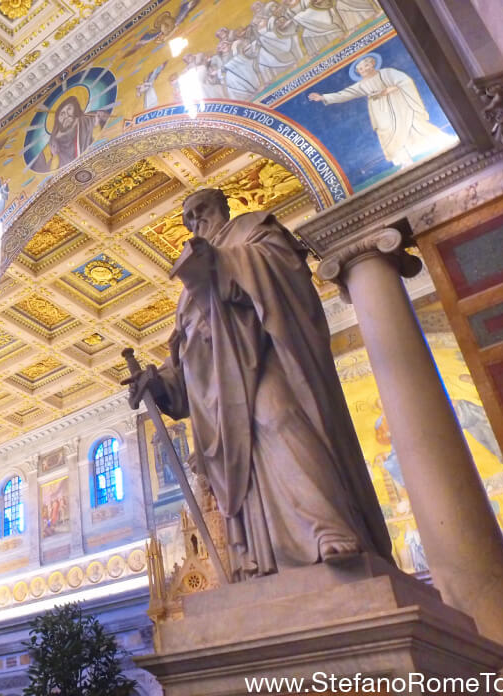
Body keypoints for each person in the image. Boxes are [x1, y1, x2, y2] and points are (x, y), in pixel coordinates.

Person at [124, 188, 393, 579]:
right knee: (247, 465)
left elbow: (284, 272)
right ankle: (260, 560)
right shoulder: (186, 296)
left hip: (261, 360)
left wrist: (223, 265)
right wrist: (159, 382)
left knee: (280, 420)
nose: (195, 221)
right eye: (188, 219)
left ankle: (328, 527)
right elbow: (183, 359)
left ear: (223, 206)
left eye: (199, 211)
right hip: (218, 394)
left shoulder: (253, 230)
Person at [308, 54, 452, 166]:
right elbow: (345, 94)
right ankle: (403, 160)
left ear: (372, 64)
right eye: (360, 69)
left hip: (399, 105)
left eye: (365, 66)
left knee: (412, 125)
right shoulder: (362, 85)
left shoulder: (387, 72)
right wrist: (323, 97)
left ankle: (436, 143)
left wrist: (390, 89)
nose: (363, 70)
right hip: (380, 112)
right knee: (387, 132)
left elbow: (405, 81)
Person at [29, 95, 109, 172]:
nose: (66, 115)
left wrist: (101, 118)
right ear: (57, 120)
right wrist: (54, 156)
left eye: (69, 109)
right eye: (62, 114)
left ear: (75, 108)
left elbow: (108, 119)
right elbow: (39, 169)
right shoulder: (52, 144)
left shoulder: (89, 120)